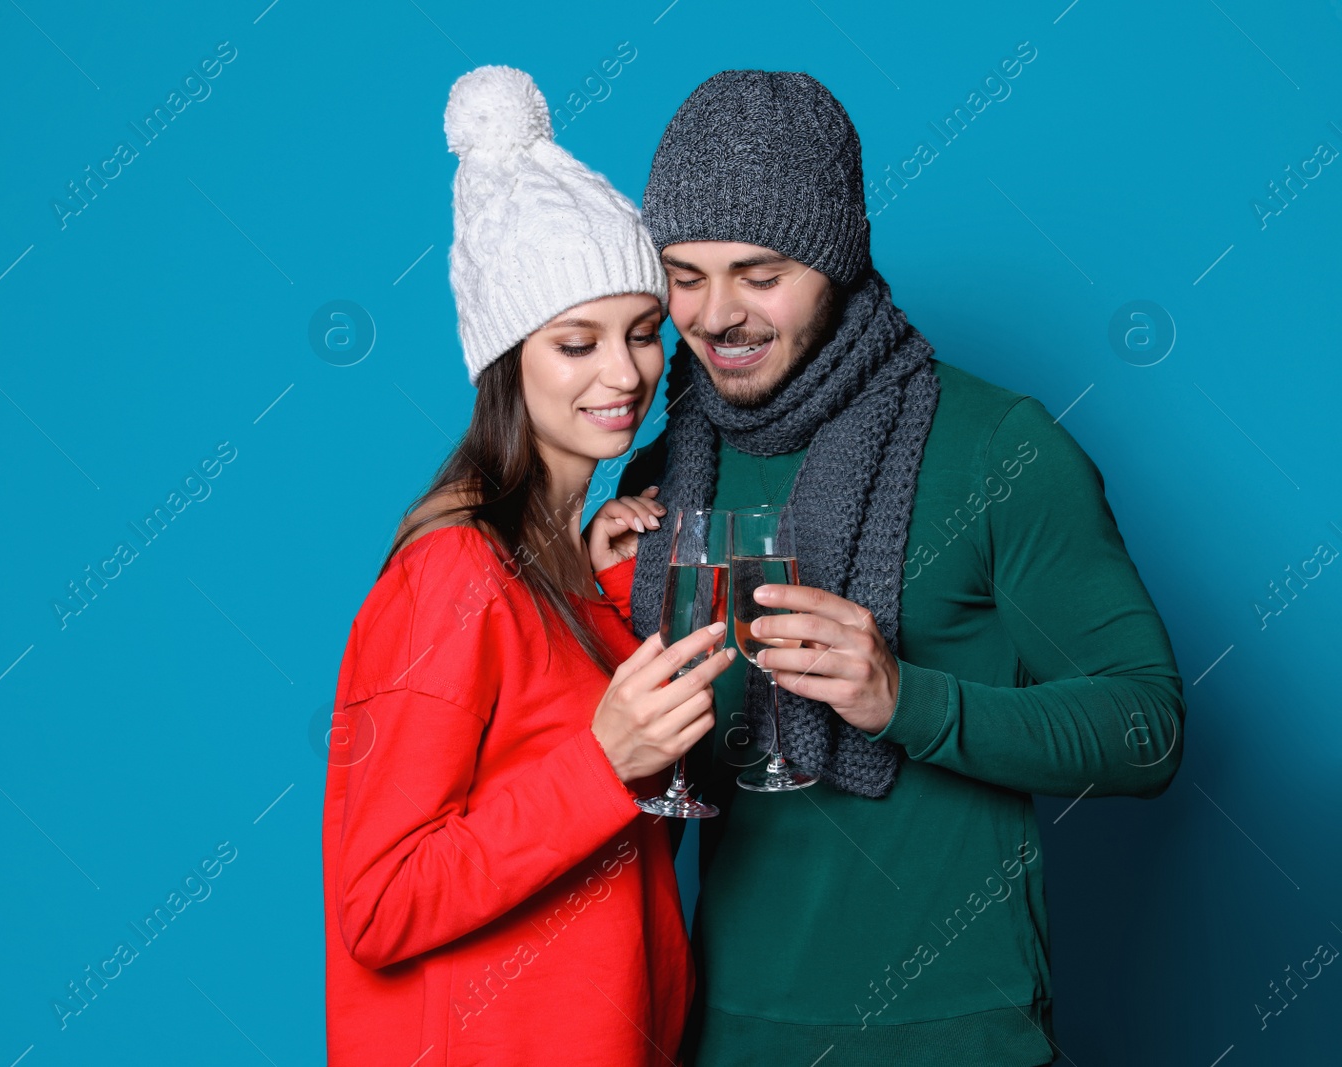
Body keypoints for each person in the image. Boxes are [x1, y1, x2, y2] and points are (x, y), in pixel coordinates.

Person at [605, 71, 1186, 1065]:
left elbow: (1148, 727)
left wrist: (903, 698)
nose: (714, 315)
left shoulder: (999, 445)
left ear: (837, 261)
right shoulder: (666, 467)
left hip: (956, 1031)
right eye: (684, 273)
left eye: (759, 271)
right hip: (728, 1027)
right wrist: (576, 588)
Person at [321, 65, 735, 1067]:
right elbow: (378, 903)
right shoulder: (452, 575)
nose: (624, 372)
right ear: (508, 358)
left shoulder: (560, 563)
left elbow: (616, 856)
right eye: (576, 342)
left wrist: (611, 599)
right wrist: (602, 761)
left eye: (643, 334)